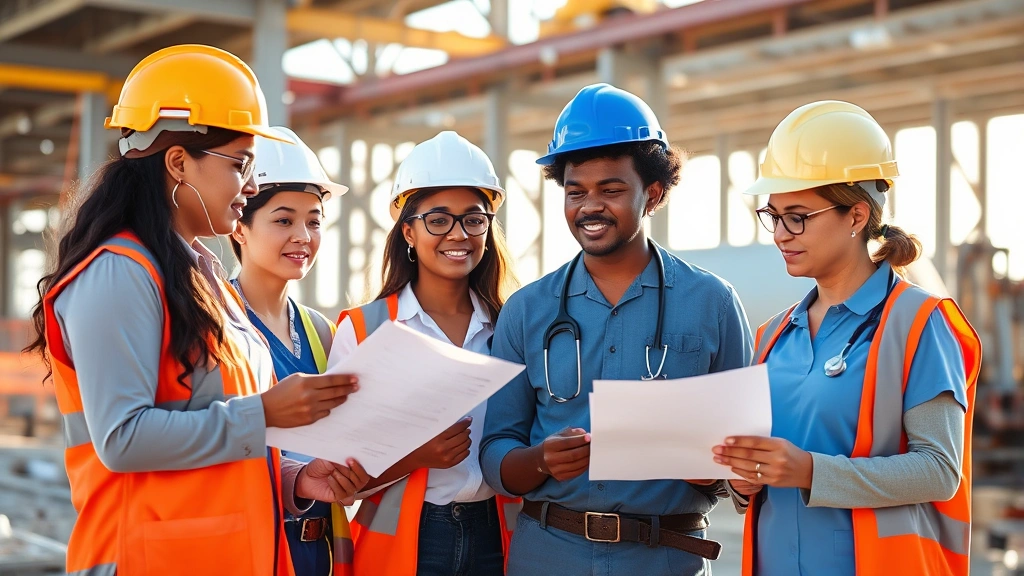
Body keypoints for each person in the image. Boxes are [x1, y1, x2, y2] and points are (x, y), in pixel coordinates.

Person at [25, 44, 368, 575]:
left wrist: (293, 479)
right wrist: (268, 412)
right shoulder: (119, 272)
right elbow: (123, 439)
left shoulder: (200, 281)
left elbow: (208, 443)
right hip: (140, 558)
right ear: (179, 162)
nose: (250, 186)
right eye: (241, 165)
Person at [479, 83, 754, 575]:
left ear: (653, 193)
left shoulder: (713, 303)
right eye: (575, 191)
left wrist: (709, 472)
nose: (589, 207)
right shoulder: (526, 310)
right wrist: (541, 460)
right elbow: (496, 451)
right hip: (548, 556)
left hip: (667, 558)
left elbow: (745, 453)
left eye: (611, 190)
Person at [711, 100, 981, 576]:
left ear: (857, 215)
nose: (780, 234)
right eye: (772, 215)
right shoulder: (772, 337)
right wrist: (742, 481)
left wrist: (812, 472)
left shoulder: (917, 322)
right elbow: (759, 472)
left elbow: (940, 469)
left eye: (797, 216)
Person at [329, 131, 521, 576]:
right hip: (407, 544)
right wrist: (417, 455)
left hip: (499, 535)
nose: (459, 233)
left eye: (474, 219)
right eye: (439, 220)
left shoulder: (513, 327)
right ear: (409, 231)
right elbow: (336, 477)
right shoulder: (364, 330)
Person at [230, 126, 357, 576]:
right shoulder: (218, 322)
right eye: (284, 220)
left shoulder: (320, 331)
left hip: (314, 553)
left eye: (315, 220)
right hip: (252, 550)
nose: (303, 235)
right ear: (239, 226)